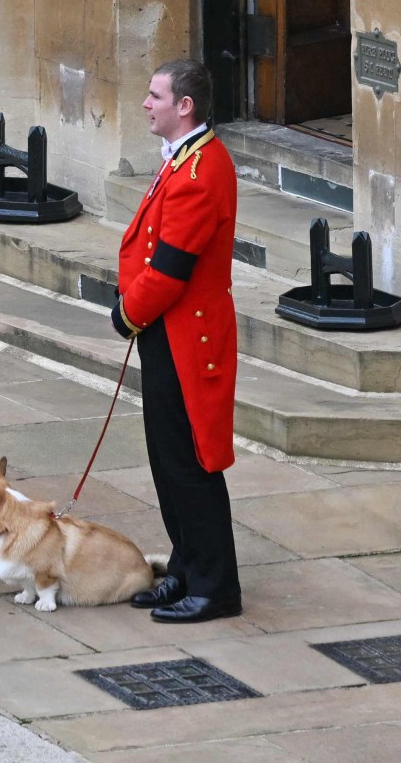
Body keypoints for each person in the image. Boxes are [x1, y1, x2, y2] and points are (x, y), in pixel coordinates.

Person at [110, 59, 241, 623]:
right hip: (168, 331)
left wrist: (126, 315)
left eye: (154, 95)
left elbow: (168, 270)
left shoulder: (197, 173)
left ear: (183, 106)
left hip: (188, 337)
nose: (146, 103)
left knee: (191, 464)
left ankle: (215, 586)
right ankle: (187, 567)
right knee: (167, 459)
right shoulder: (182, 160)